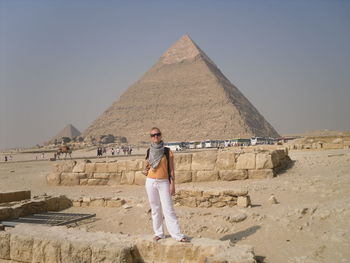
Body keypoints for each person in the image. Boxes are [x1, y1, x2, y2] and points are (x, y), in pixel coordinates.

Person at [143, 127, 189, 242]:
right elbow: (147, 166)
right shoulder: (149, 151)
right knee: (155, 208)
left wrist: (172, 184)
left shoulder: (167, 151)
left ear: (161, 135)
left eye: (157, 134)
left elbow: (172, 170)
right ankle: (159, 233)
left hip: (163, 182)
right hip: (150, 181)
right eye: (153, 135)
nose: (155, 137)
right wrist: (145, 171)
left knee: (168, 209)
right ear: (151, 137)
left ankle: (177, 235)